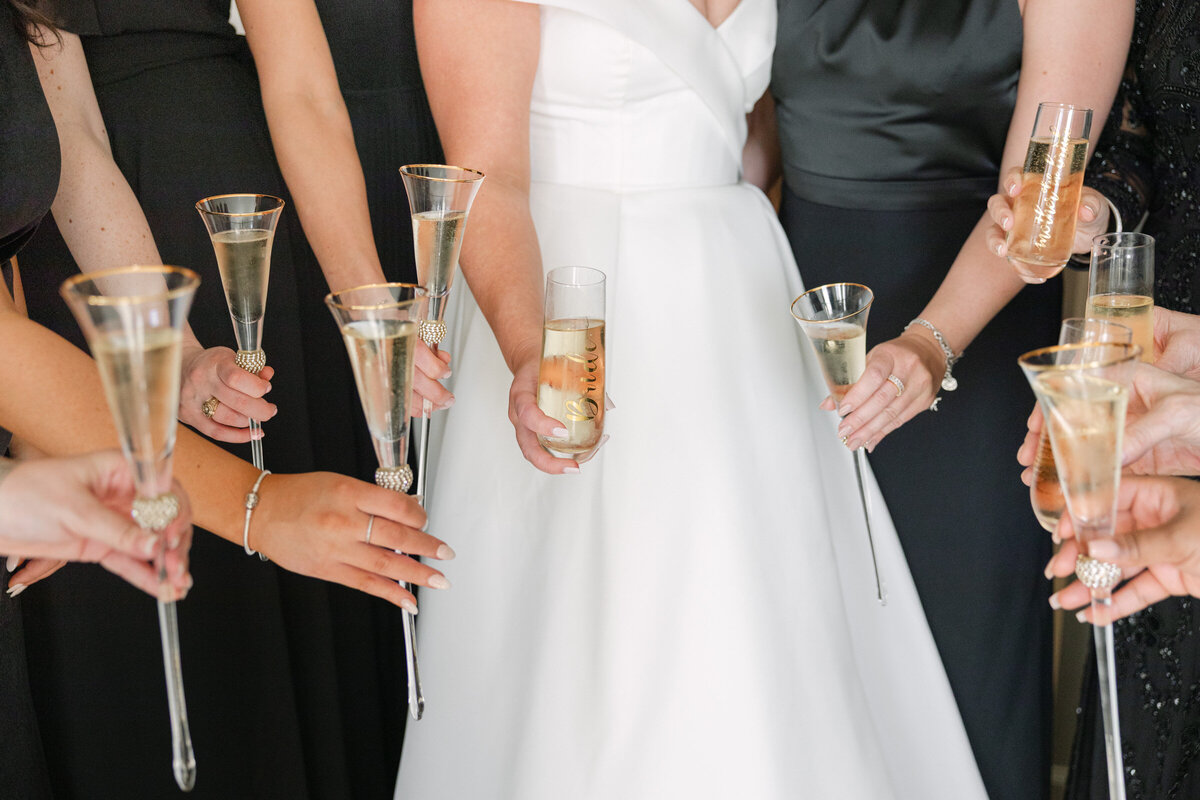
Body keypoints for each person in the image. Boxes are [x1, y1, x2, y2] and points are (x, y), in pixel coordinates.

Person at [397, 1, 989, 797]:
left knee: (751, 633)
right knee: (591, 659)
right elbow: (485, 179)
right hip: (564, 299)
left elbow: (741, 137)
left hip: (736, 298)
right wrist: (533, 349)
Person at [2, 9, 454, 798]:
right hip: (57, 308)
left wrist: (171, 359)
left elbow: (64, 125)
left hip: (190, 226)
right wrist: (256, 507)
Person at [766, 2, 1132, 796]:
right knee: (799, 663)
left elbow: (1039, 197)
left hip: (977, 326)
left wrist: (934, 344)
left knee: (963, 664)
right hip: (793, 320)